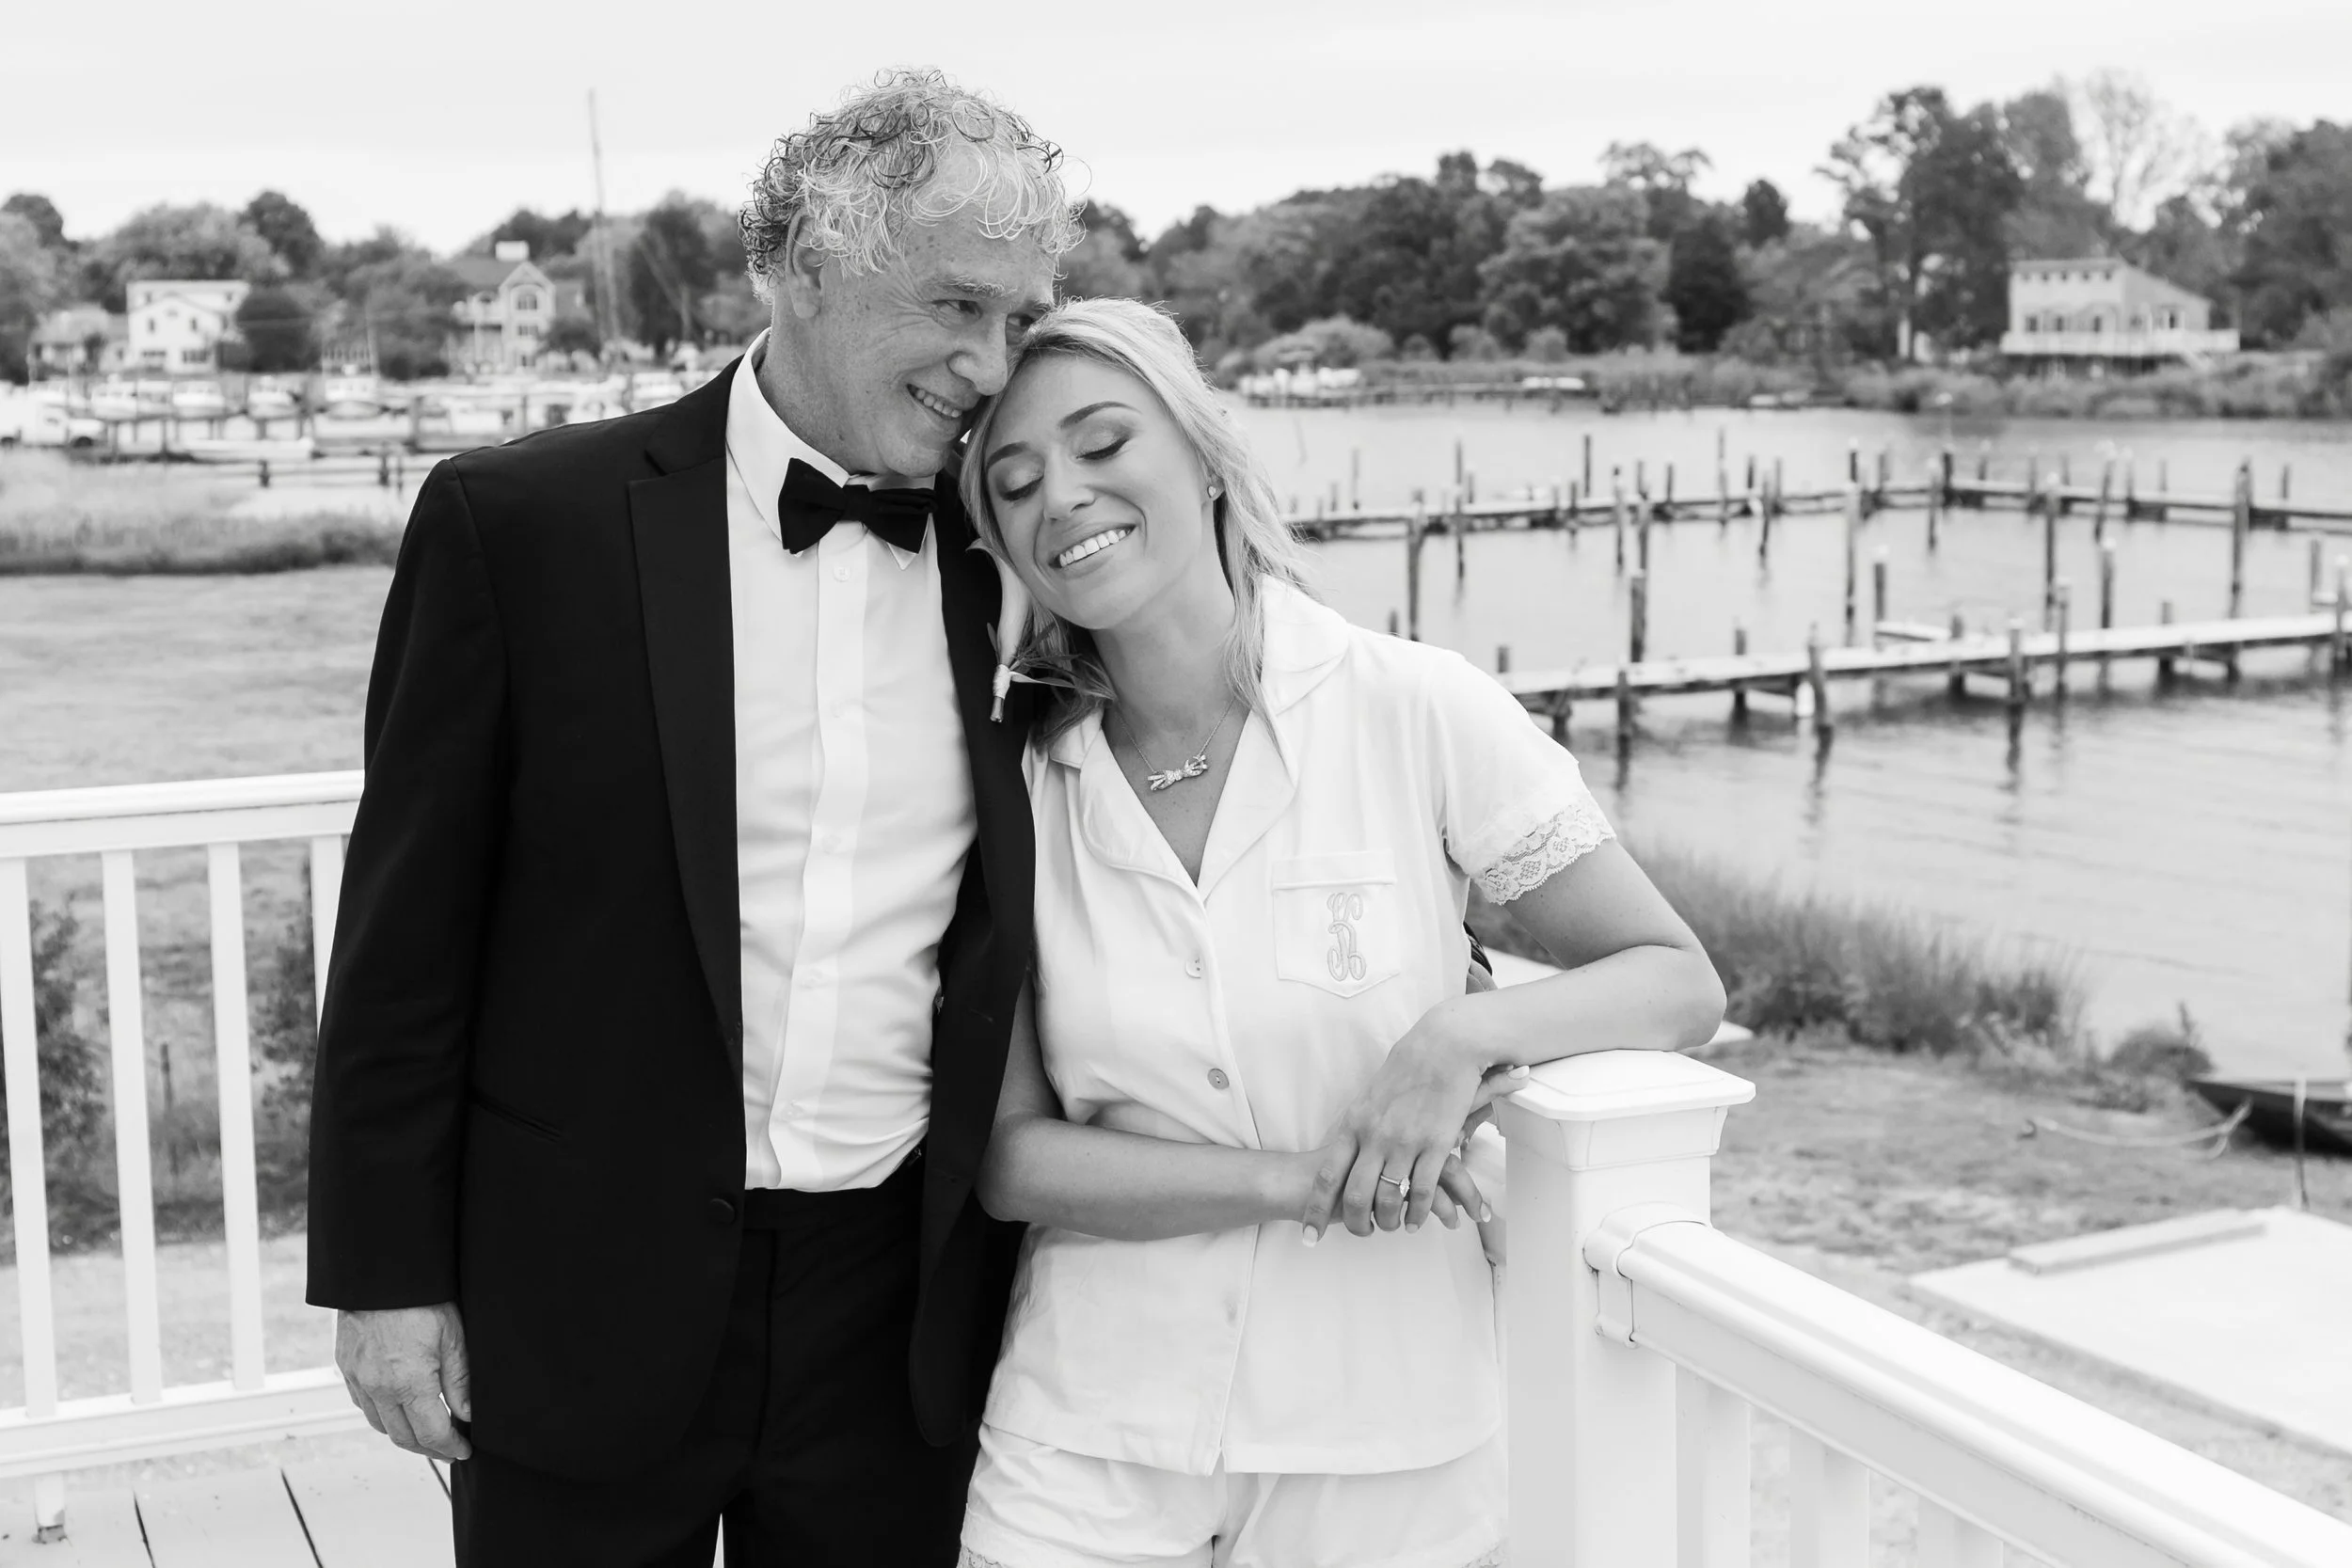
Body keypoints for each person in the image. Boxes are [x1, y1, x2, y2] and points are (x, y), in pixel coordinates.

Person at [305, 71, 1076, 1565]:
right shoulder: (519, 526)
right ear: (803, 271)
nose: (991, 365)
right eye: (955, 306)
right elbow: (405, 939)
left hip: (898, 1316)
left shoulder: (1018, 550)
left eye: (1017, 320)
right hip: (578, 1290)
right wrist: (384, 1277)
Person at [955, 297, 1726, 1568]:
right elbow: (1014, 1157)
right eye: (1017, 481)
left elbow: (1675, 979)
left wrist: (1458, 1037)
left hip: (1388, 1427)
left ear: (1207, 456)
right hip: (1087, 1423)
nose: (1065, 497)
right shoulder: (1020, 781)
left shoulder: (1415, 708)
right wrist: (1302, 1180)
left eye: (1103, 443)